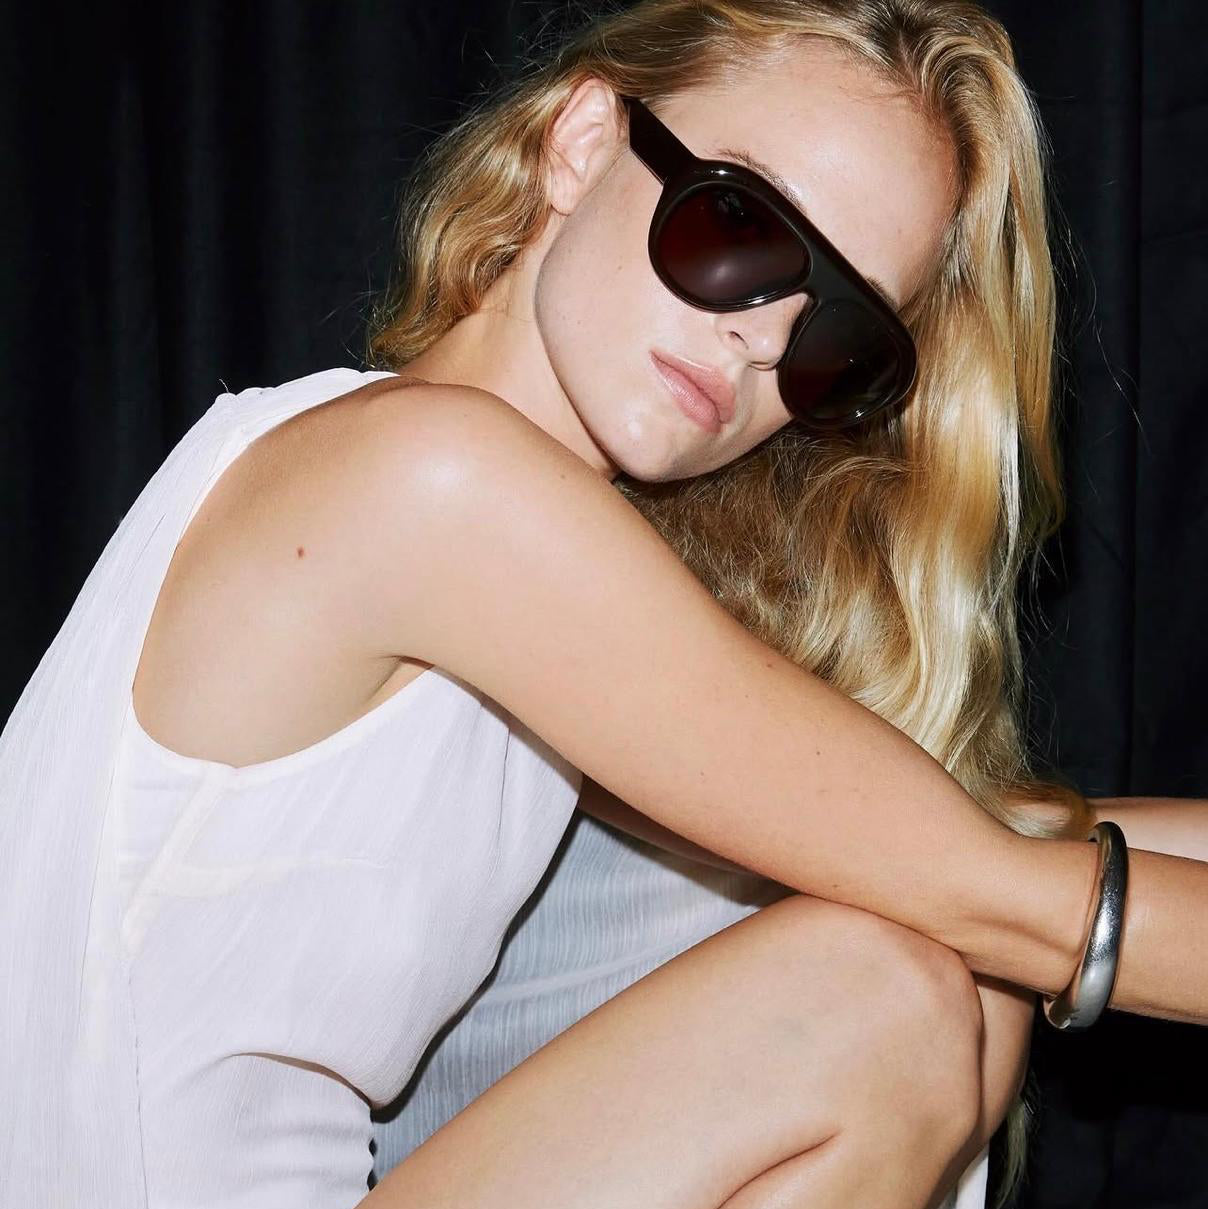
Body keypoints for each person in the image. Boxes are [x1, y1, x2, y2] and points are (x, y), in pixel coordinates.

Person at [1, 2, 1205, 1208]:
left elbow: (976, 848)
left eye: (835, 333)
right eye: (741, 224)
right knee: (882, 1002)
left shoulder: (485, 579)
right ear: (581, 145)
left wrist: (1001, 879)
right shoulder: (427, 481)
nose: (761, 340)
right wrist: (999, 887)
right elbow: (1016, 898)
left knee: (957, 978)